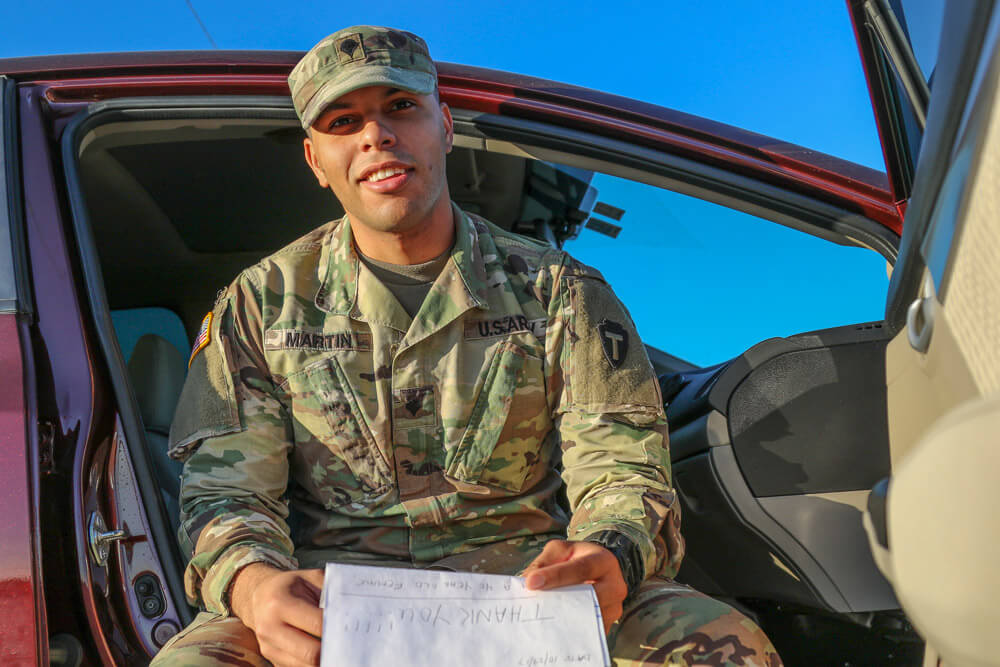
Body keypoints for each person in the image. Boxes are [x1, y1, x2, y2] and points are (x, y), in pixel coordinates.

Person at [151, 25, 782, 667]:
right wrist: (255, 587)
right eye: (343, 122)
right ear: (315, 161)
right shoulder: (260, 306)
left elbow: (623, 470)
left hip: (530, 598)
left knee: (719, 648)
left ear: (445, 126)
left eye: (401, 106)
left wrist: (608, 552)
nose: (376, 135)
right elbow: (227, 498)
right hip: (334, 609)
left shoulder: (558, 291)